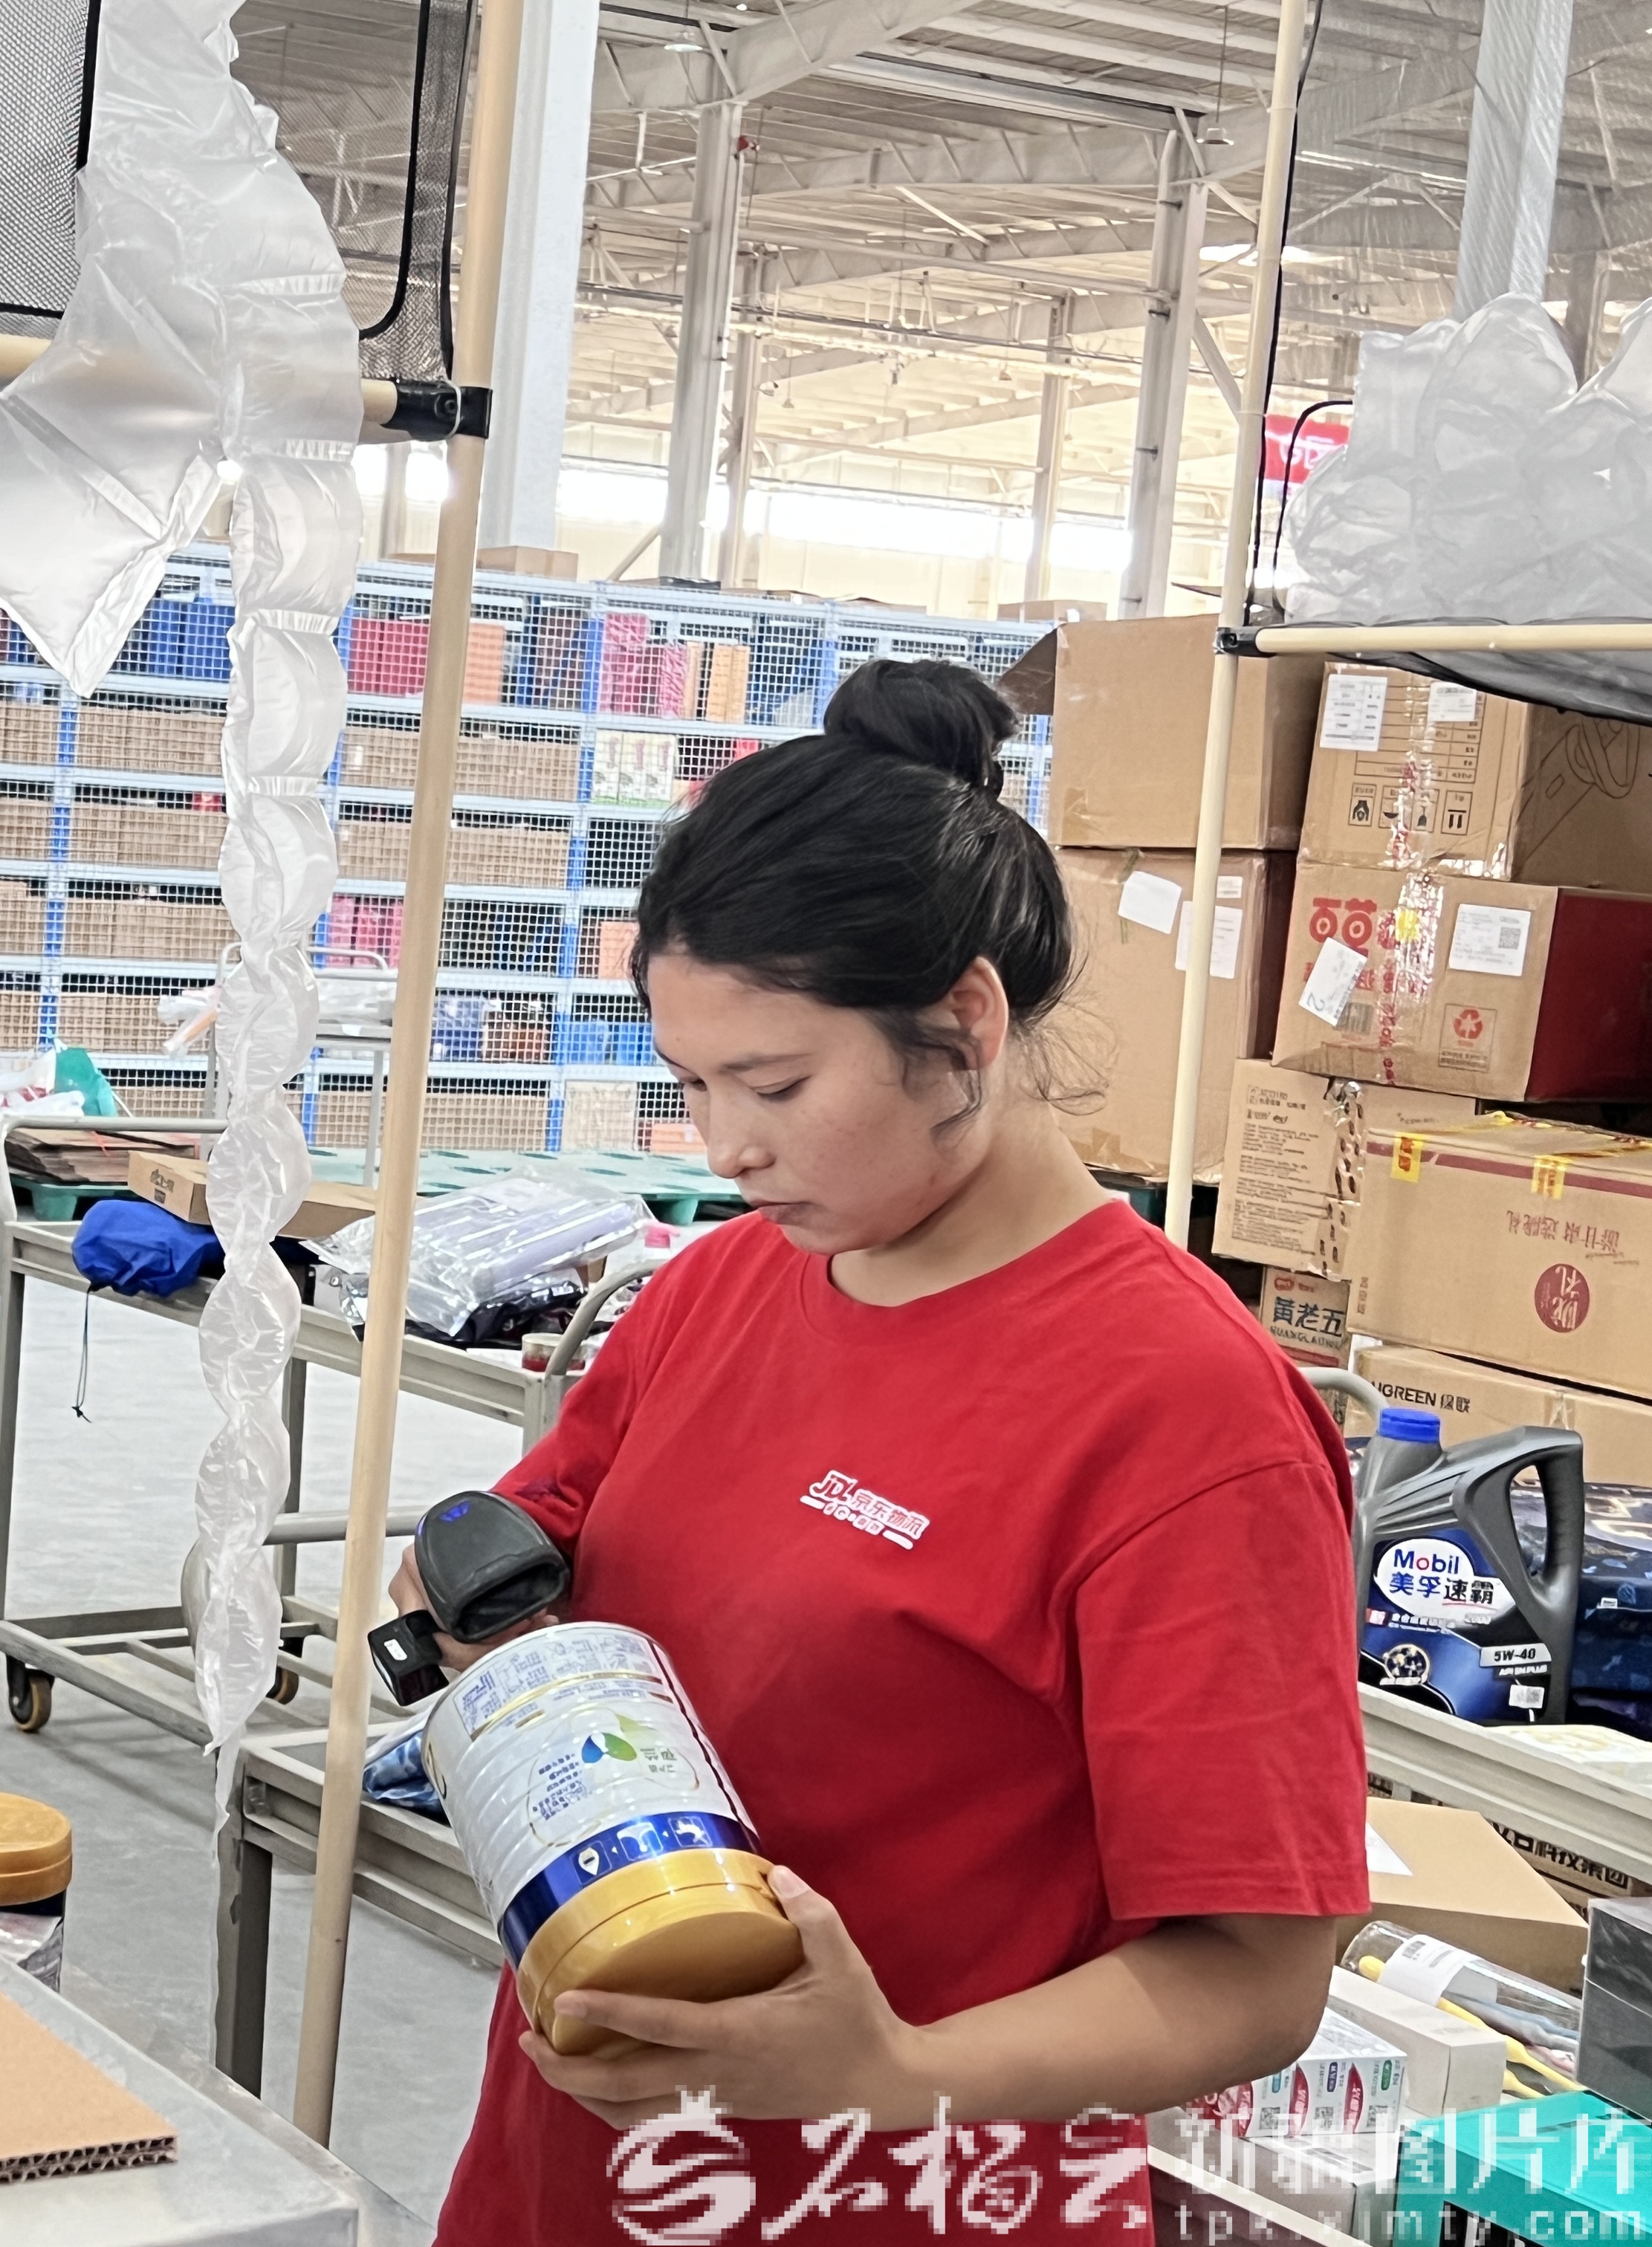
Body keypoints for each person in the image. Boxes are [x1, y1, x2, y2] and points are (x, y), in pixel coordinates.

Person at [409, 659, 1367, 2246]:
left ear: (964, 1024)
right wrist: (475, 1618)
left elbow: (1258, 1976)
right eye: (691, 1083)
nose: (725, 1146)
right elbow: (531, 1550)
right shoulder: (721, 1286)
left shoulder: (1182, 1412)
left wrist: (891, 2070)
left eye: (775, 1083)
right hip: (572, 2185)